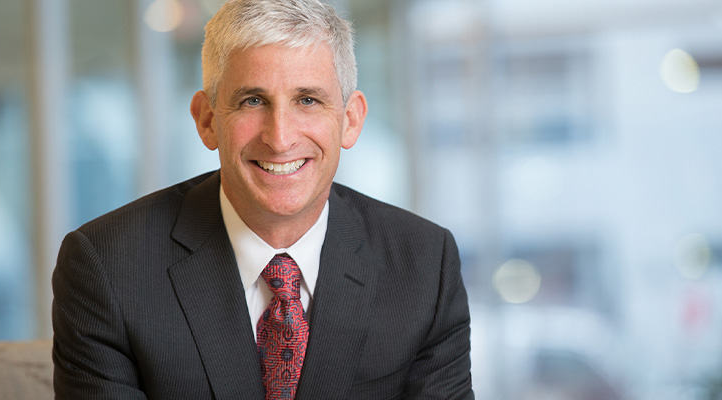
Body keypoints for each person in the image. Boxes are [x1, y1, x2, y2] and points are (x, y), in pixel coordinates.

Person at [51, 0, 473, 398]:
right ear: (207, 120)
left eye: (308, 100)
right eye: (253, 101)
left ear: (350, 120)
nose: (280, 138)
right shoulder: (108, 267)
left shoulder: (424, 266)